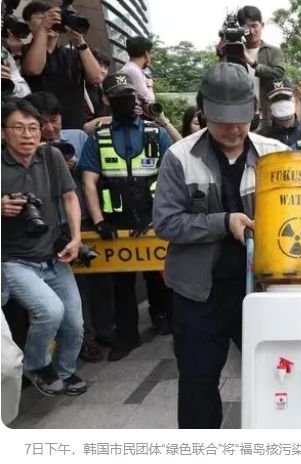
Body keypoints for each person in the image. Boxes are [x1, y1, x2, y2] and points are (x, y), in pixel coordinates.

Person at [152, 62, 301, 429]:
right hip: (197, 293)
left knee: (273, 376)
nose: (233, 129)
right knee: (198, 382)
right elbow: (167, 223)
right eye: (222, 120)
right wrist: (224, 222)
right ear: (203, 110)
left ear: (254, 111)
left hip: (261, 288)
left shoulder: (273, 153)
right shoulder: (179, 157)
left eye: (241, 118)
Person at [78, 73, 174, 361]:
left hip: (154, 219)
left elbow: (172, 177)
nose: (126, 101)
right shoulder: (99, 138)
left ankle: (163, 318)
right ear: (107, 100)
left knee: (160, 275)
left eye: (130, 95)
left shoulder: (156, 133)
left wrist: (162, 215)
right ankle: (127, 336)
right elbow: (88, 182)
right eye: (119, 96)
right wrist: (98, 221)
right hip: (116, 222)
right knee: (121, 284)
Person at [1, 98, 87, 396]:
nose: (28, 135)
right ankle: (36, 367)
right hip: (12, 260)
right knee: (50, 312)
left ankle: (63, 373)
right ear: (3, 133)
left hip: (54, 255)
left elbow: (70, 198)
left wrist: (76, 238)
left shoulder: (51, 157)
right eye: (19, 128)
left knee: (74, 323)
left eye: (33, 128)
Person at [21, 1, 104, 129]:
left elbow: (97, 77)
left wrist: (80, 41)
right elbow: (33, 69)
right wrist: (43, 29)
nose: (48, 22)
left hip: (74, 128)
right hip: (39, 130)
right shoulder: (24, 51)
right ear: (28, 24)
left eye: (52, 18)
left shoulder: (73, 53)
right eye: (41, 18)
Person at [225, 5, 285, 129]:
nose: (251, 31)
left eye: (254, 26)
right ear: (241, 29)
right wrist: (222, 54)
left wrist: (251, 62)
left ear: (262, 25)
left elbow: (278, 74)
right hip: (241, 116)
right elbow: (224, 80)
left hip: (268, 115)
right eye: (247, 27)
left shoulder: (274, 52)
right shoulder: (233, 50)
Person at [257, 78, 301, 147]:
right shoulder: (260, 138)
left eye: (286, 97)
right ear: (268, 104)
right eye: (276, 99)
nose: (282, 102)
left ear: (295, 100)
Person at [120, 36, 155, 103]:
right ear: (146, 54)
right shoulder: (133, 71)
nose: (152, 56)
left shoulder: (128, 68)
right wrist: (150, 85)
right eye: (151, 53)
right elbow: (149, 99)